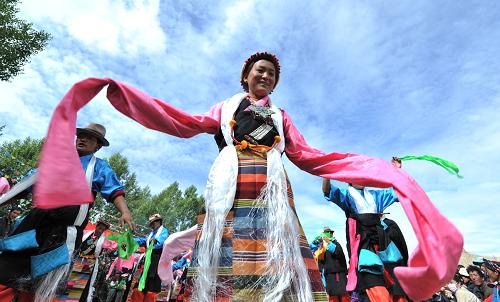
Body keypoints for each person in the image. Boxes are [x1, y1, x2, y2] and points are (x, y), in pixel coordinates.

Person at [32, 52, 464, 301]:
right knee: (226, 258)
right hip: (232, 187)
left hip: (273, 190)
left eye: (272, 74)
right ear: (245, 77)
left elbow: (309, 155)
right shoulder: (224, 110)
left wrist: (379, 172)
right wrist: (121, 92)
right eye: (260, 70)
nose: (266, 76)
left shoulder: (281, 116)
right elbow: (182, 120)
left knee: (275, 258)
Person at [0, 123, 134, 302]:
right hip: (34, 226)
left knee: (43, 286)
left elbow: (114, 190)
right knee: (6, 271)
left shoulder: (99, 168)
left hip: (62, 235)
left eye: (89, 137)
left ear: (98, 146)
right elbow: (25, 187)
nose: (82, 139)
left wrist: (125, 212)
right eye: (80, 135)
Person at [131, 214, 169, 302]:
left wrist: (154, 241)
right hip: (148, 261)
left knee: (151, 289)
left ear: (158, 222)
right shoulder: (151, 234)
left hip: (156, 262)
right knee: (141, 287)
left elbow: (161, 243)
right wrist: (131, 240)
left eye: (153, 223)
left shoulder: (164, 231)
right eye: (151, 224)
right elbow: (144, 240)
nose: (151, 225)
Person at [79, 219, 112, 302]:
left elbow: (113, 246)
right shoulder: (86, 234)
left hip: (90, 264)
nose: (100, 231)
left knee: (84, 283)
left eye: (103, 230)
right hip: (79, 261)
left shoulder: (104, 241)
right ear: (96, 227)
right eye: (99, 228)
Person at [314, 227, 349, 302]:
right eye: (326, 232)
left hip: (338, 274)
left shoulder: (336, 244)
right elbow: (319, 260)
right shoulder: (322, 248)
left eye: (329, 232)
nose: (328, 234)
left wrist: (329, 242)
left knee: (344, 296)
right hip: (328, 276)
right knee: (332, 297)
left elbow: (338, 253)